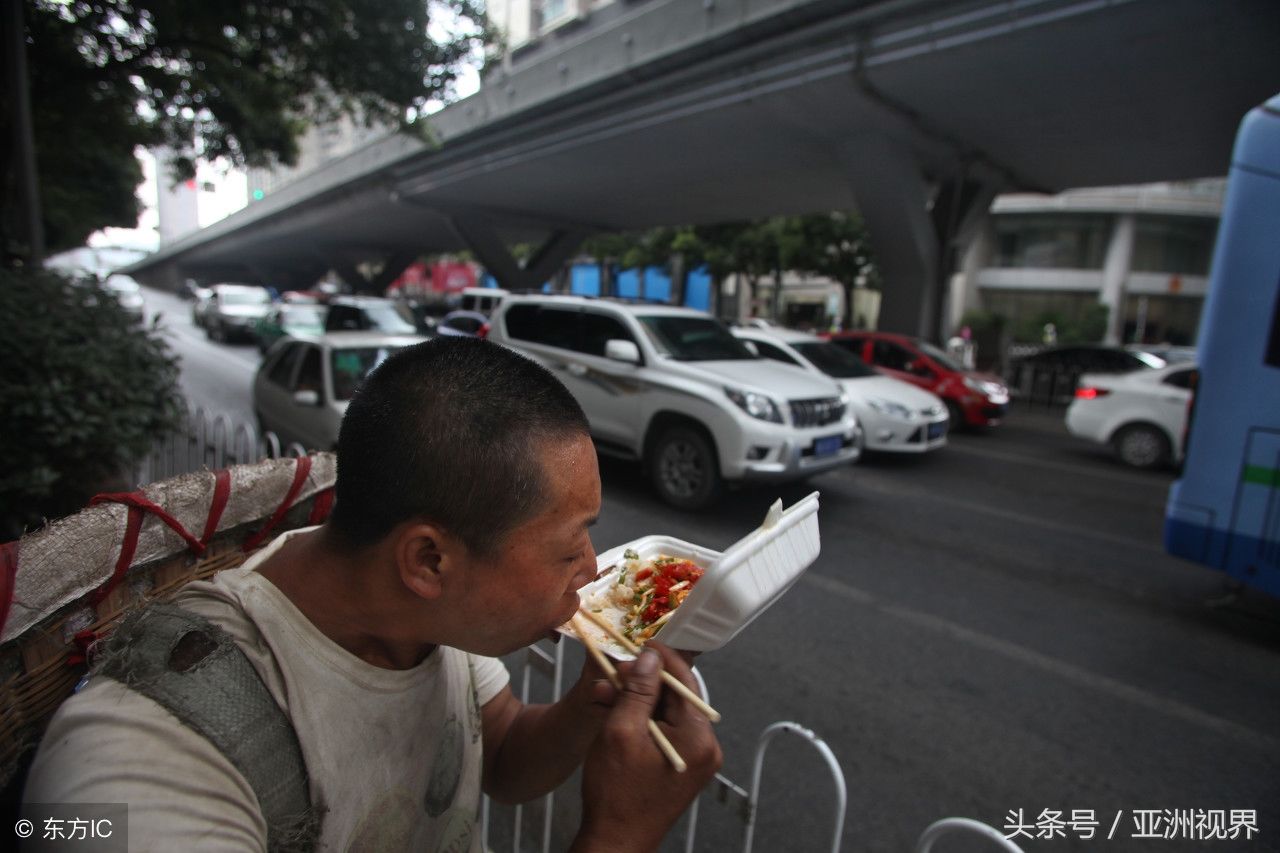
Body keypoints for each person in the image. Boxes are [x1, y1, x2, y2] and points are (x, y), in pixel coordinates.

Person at [24, 337, 721, 851]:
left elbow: (500, 751)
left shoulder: (427, 617)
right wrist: (619, 834)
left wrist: (586, 712)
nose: (592, 570)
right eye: (570, 547)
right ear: (428, 559)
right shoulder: (146, 763)